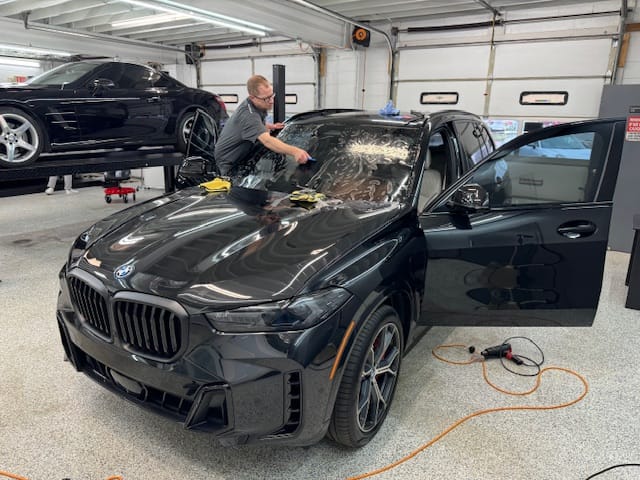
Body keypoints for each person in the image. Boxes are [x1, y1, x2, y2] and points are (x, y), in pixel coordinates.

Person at [214, 75, 311, 177]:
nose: (271, 101)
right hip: (228, 165)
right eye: (266, 98)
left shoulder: (257, 105)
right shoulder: (248, 115)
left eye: (271, 96)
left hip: (243, 157)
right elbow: (267, 141)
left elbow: (252, 124)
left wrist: (266, 126)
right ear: (252, 97)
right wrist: (295, 151)